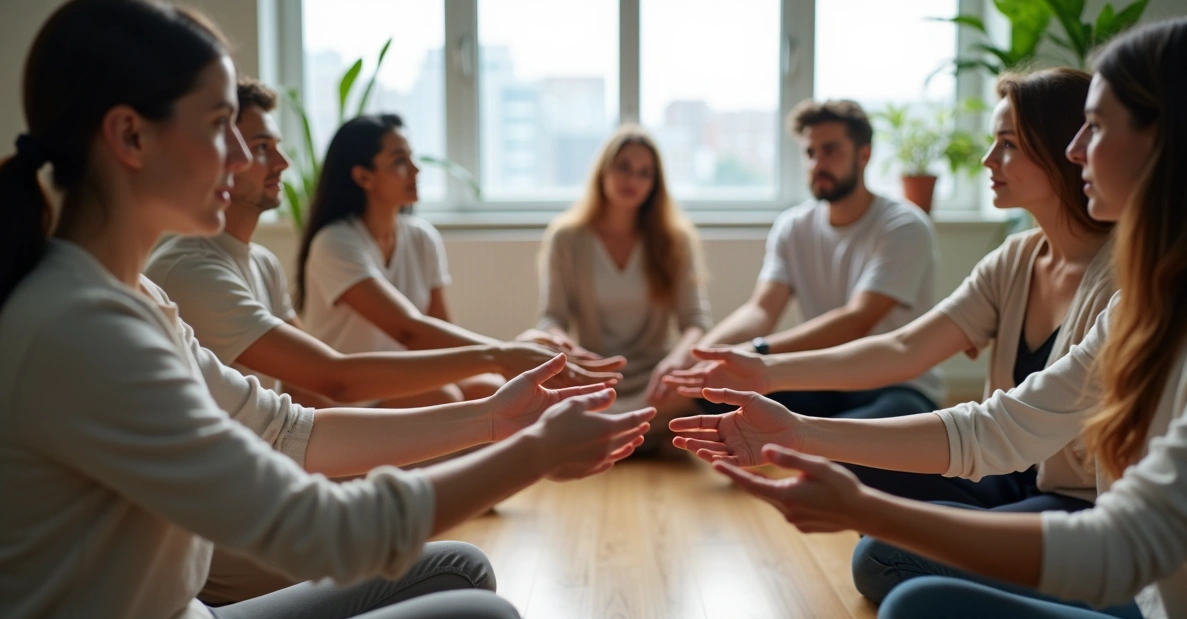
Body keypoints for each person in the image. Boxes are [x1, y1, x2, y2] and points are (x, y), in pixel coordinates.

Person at [0, 2, 653, 619]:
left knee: (461, 569)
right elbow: (324, 523)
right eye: (220, 126)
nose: (242, 157)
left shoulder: (136, 295)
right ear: (130, 136)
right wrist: (530, 452)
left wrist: (495, 419)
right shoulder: (85, 328)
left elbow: (289, 428)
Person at [674, 16, 1187, 619]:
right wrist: (794, 430)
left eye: (1094, 129)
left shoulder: (1143, 297)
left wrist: (860, 502)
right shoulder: (1133, 306)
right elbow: (994, 426)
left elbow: (1116, 543)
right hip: (1119, 569)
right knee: (898, 574)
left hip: (1107, 548)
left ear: (1169, 142)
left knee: (898, 579)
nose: (1075, 149)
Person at [666, 68, 1115, 518]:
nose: (987, 159)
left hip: (1068, 497)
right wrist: (756, 370)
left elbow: (868, 326)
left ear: (1067, 150)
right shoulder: (1015, 258)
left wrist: (776, 381)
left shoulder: (1121, 279)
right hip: (1002, 471)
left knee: (887, 558)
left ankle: (961, 555)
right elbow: (905, 345)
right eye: (809, 152)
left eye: (1008, 144)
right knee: (875, 529)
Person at [146, 79, 621, 410]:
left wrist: (516, 357)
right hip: (318, 414)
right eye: (261, 148)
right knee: (456, 403)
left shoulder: (262, 263)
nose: (284, 163)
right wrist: (504, 357)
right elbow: (354, 367)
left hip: (307, 419)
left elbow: (310, 391)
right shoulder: (202, 268)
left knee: (479, 400)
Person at [299, 114, 602, 407]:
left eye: (412, 157)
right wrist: (508, 353)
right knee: (444, 397)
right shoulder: (335, 243)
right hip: (351, 396)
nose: (416, 170)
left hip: (405, 381)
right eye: (400, 161)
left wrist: (517, 350)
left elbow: (439, 332)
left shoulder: (421, 237)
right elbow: (409, 330)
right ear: (363, 176)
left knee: (493, 390)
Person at [686, 99, 943, 420]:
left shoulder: (903, 226)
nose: (817, 163)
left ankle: (820, 446)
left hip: (895, 386)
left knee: (880, 428)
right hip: (820, 381)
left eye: (830, 150)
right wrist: (699, 357)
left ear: (864, 155)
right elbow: (761, 308)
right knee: (715, 391)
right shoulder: (793, 226)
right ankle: (817, 445)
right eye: (810, 152)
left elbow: (857, 319)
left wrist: (759, 351)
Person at [529, 125, 712, 451]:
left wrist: (676, 361)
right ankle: (637, 434)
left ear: (655, 184)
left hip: (656, 382)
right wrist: (569, 352)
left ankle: (603, 433)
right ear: (604, 172)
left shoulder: (675, 241)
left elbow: (696, 323)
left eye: (645, 173)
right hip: (593, 377)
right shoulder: (566, 238)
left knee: (707, 376)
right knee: (528, 348)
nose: (633, 180)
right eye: (624, 167)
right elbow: (550, 318)